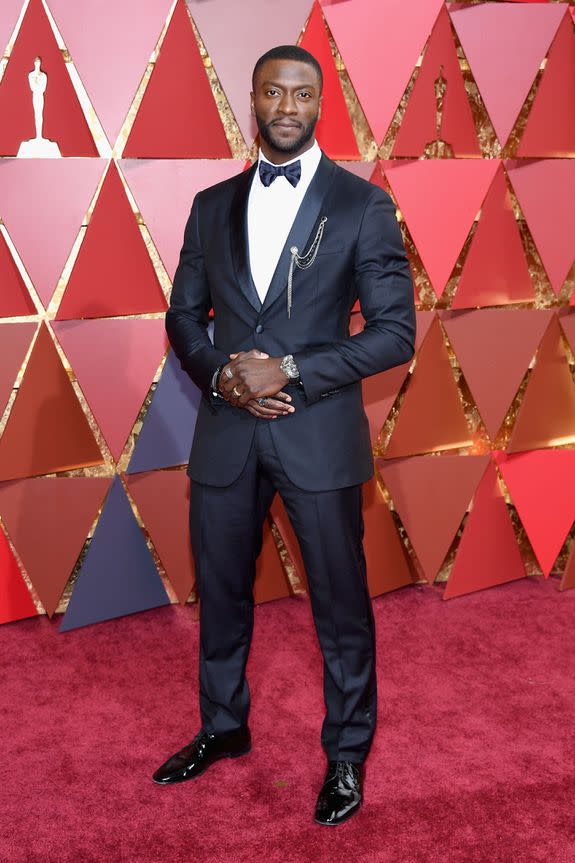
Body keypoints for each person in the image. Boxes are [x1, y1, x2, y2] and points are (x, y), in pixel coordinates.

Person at [152, 44, 416, 827]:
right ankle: (222, 726)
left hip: (319, 435)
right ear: (254, 100)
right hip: (227, 432)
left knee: (339, 606)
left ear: (320, 102)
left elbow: (395, 333)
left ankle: (345, 751)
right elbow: (182, 315)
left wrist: (291, 369)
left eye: (302, 93)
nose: (288, 106)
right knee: (224, 596)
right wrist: (222, 375)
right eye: (273, 91)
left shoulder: (361, 203)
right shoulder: (210, 204)